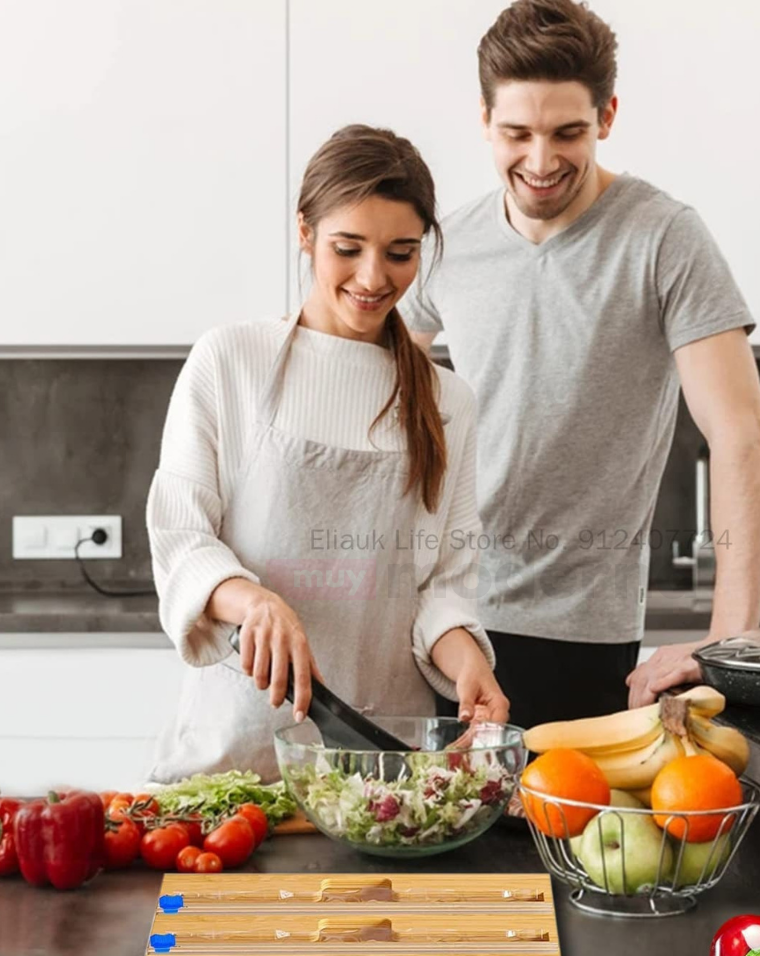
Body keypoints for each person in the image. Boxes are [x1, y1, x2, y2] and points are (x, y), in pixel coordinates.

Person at [402, 0, 760, 726]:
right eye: (517, 133)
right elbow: (373, 407)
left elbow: (743, 443)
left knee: (570, 840)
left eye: (567, 132)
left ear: (606, 116)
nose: (540, 162)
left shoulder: (664, 236)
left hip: (583, 633)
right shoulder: (446, 245)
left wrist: (726, 643)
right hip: (445, 622)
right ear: (484, 120)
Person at [145, 125, 508, 784]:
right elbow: (180, 537)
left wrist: (467, 664)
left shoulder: (447, 401)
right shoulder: (230, 361)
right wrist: (253, 601)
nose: (374, 278)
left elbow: (441, 591)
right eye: (349, 248)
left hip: (378, 770)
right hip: (239, 762)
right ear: (305, 232)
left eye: (401, 253)